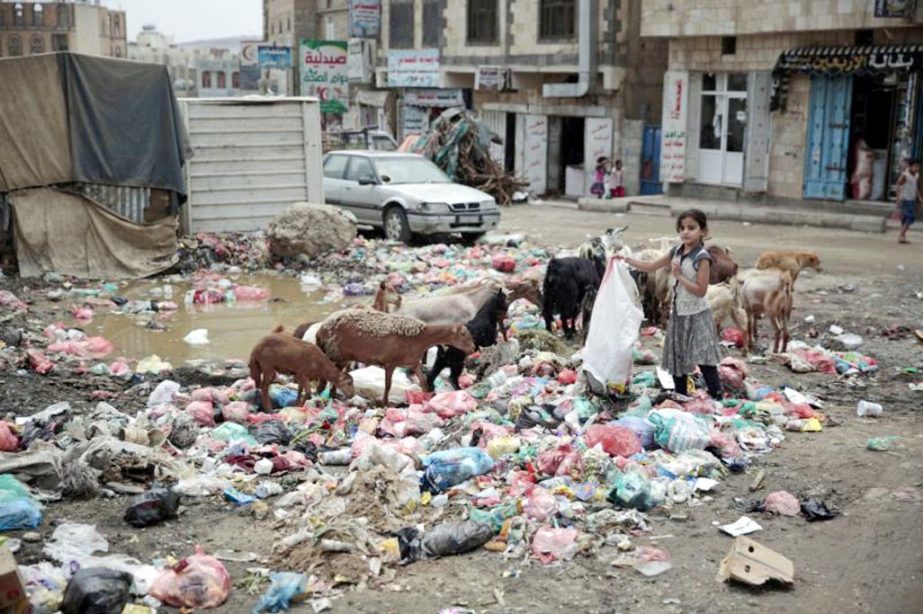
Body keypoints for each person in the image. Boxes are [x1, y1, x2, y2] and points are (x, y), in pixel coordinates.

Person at [612, 209, 723, 399]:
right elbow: (651, 267)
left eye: (691, 228)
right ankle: (681, 395)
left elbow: (701, 290)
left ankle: (717, 395)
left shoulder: (702, 257)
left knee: (703, 356)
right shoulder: (676, 252)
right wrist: (626, 259)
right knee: (678, 356)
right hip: (679, 312)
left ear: (702, 231)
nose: (686, 232)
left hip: (697, 313)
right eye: (682, 228)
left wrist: (679, 276)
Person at [895, 158, 920, 244]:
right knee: (911, 217)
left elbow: (915, 187)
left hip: (911, 199)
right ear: (910, 166)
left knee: (905, 218)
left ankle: (903, 236)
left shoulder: (916, 175)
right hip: (905, 199)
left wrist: (919, 196)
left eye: (918, 167)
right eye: (915, 167)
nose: (917, 169)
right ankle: (901, 235)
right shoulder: (905, 175)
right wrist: (898, 199)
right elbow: (898, 185)